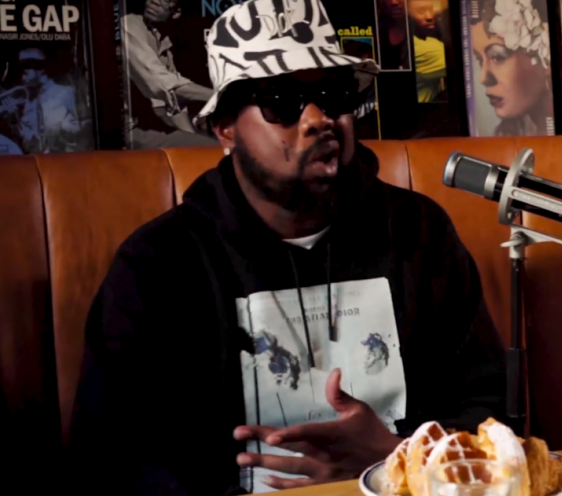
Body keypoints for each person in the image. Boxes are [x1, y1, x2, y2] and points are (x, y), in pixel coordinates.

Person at [68, 0, 506, 495]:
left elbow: (485, 406)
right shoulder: (159, 264)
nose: (318, 118)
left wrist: (394, 457)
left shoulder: (418, 230)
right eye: (281, 100)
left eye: (333, 94)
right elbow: (113, 459)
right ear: (225, 129)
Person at [122, 0, 218, 148]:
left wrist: (191, 138)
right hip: (128, 131)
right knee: (215, 150)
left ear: (176, 12)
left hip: (154, 123)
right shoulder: (129, 25)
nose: (154, 1)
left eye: (165, 0)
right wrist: (220, 95)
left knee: (208, 147)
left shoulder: (161, 37)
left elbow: (175, 103)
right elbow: (162, 83)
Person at [470, 0, 554, 136]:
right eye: (480, 60)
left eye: (497, 57)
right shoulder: (503, 136)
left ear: (546, 56)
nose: (483, 78)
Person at [0, 48, 82, 154]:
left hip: (61, 156)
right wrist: (14, 122)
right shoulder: (27, 99)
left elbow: (80, 133)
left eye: (24, 71)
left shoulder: (64, 93)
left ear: (38, 68)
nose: (21, 77)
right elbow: (29, 142)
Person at [409, 0, 447, 103]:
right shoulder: (417, 47)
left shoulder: (429, 40)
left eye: (431, 9)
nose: (430, 17)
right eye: (421, 11)